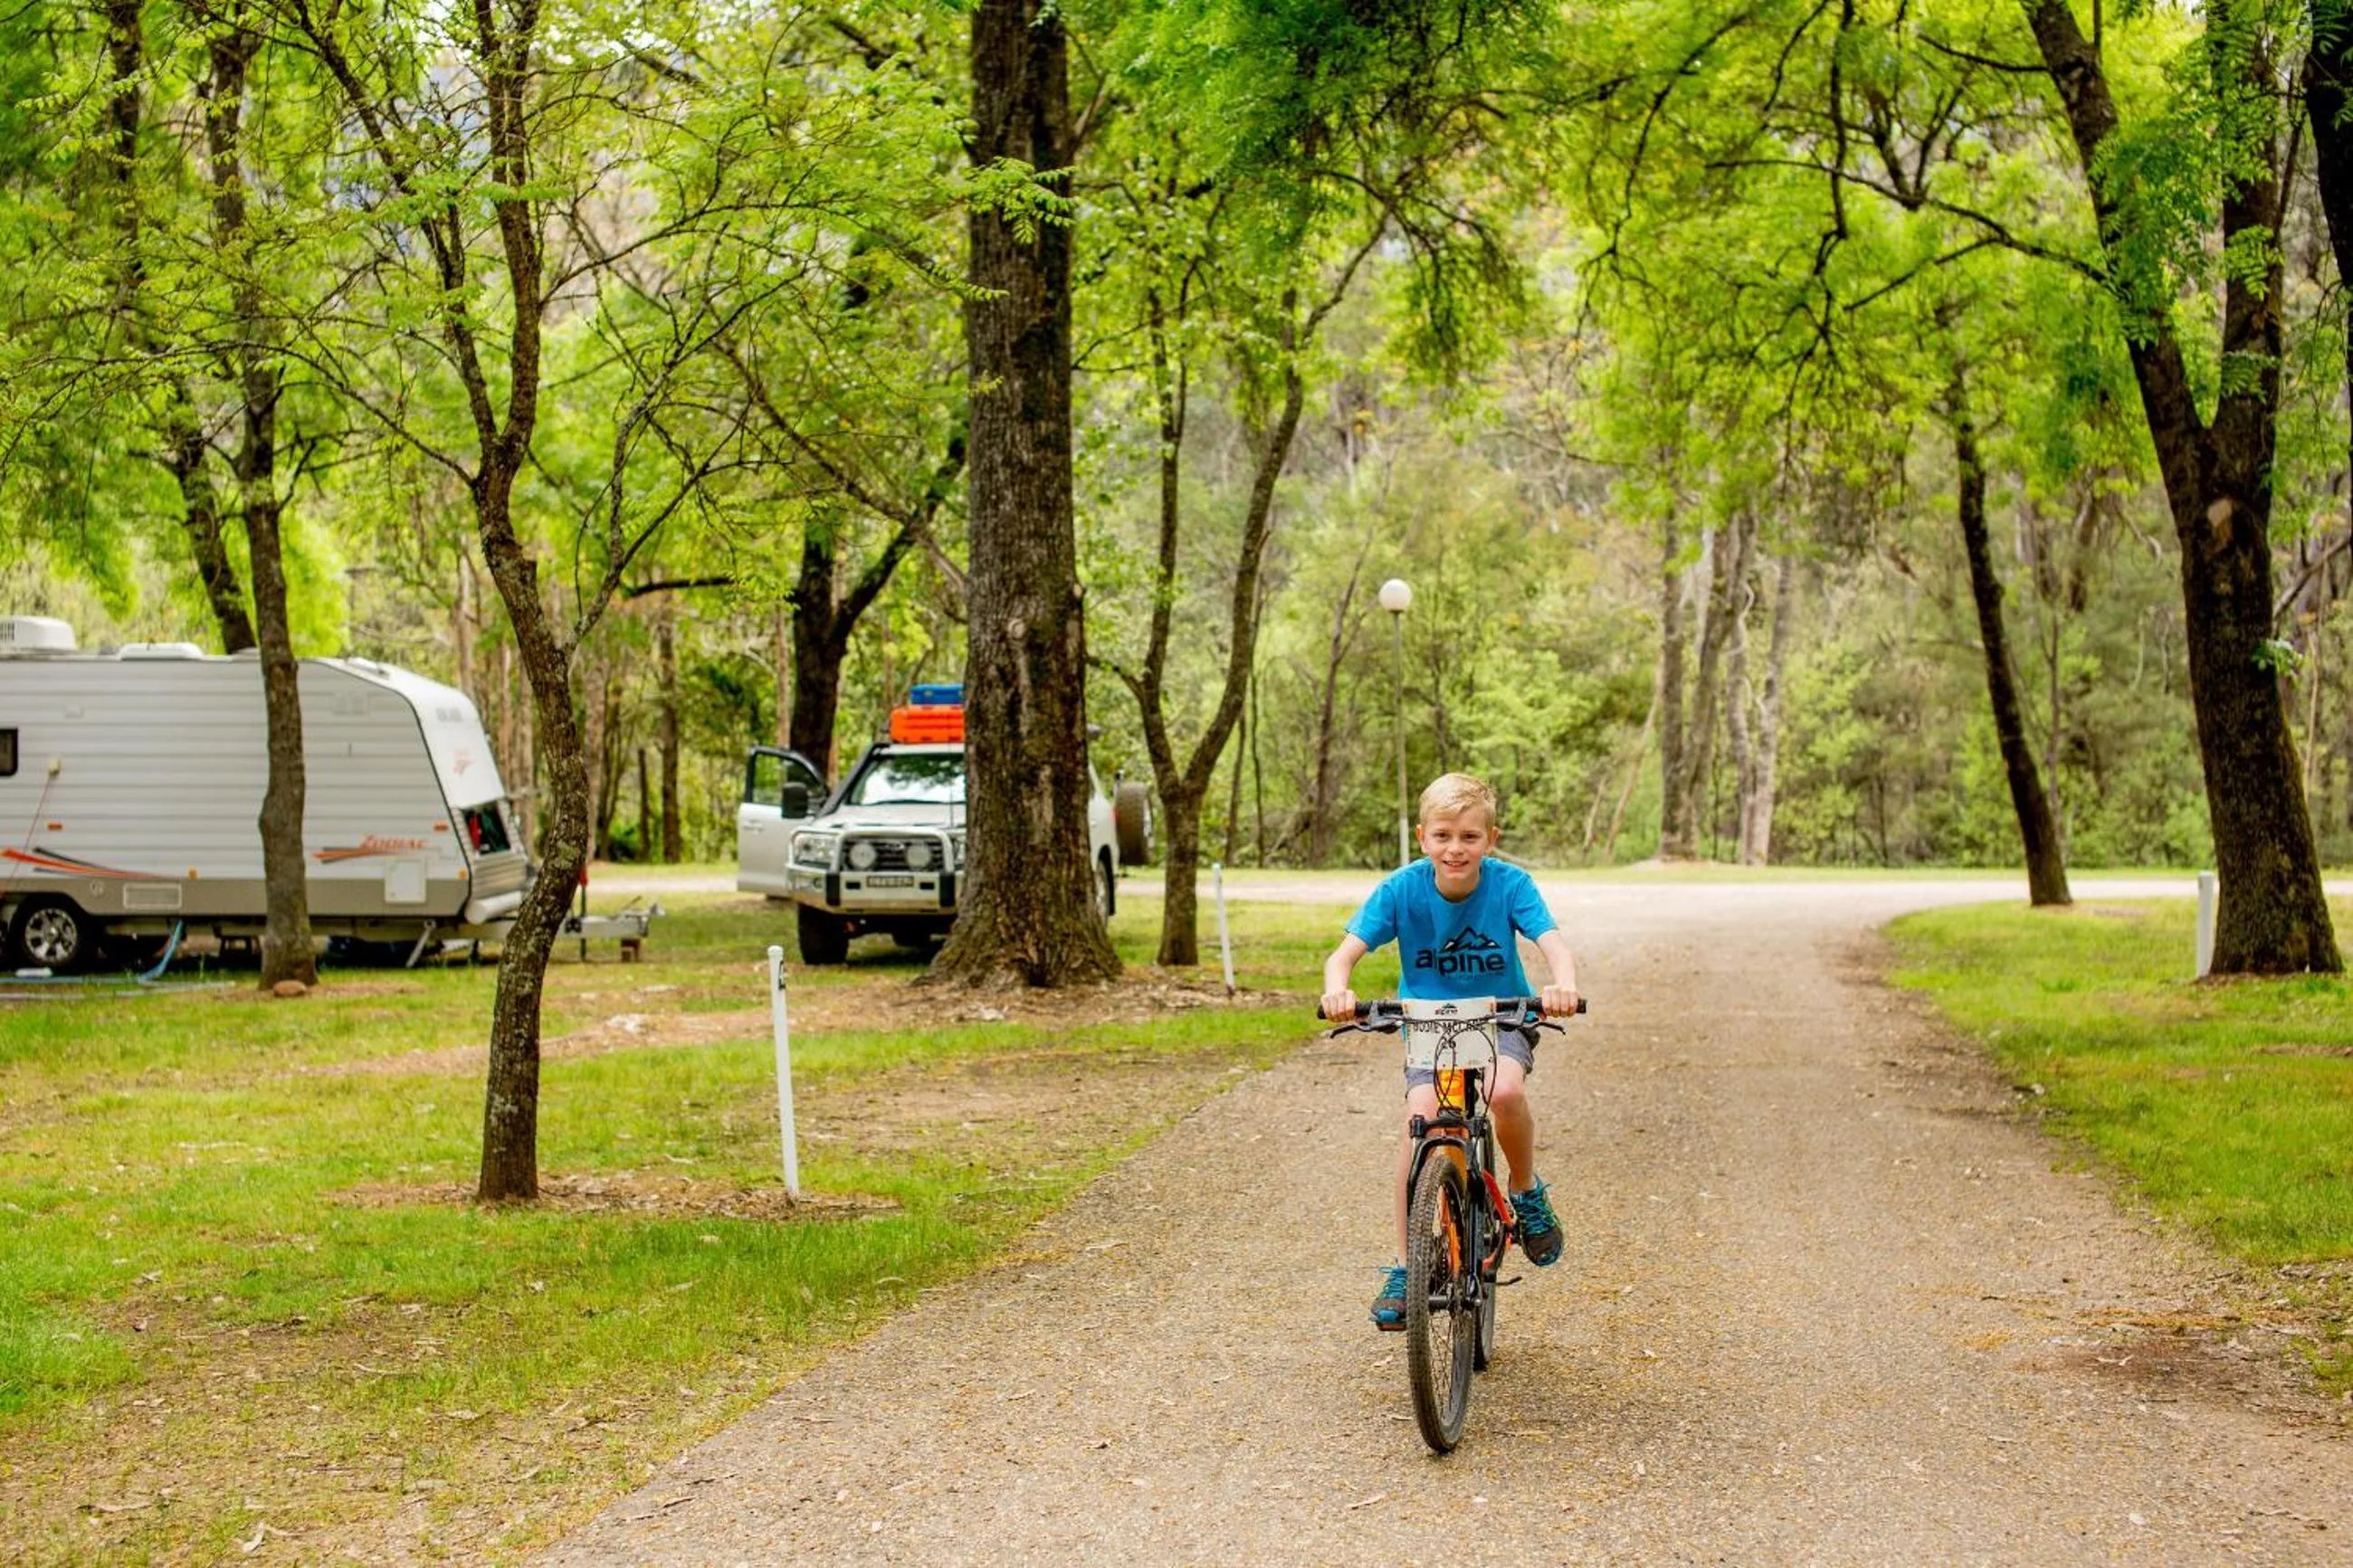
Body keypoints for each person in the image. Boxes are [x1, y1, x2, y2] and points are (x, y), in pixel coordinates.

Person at [1320, 772, 1580, 1329]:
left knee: (1503, 1090)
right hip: (1427, 1025)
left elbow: (1553, 944)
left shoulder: (1511, 886)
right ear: (1422, 838)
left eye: (1468, 836)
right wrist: (1338, 989)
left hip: (1500, 1014)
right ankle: (1407, 1263)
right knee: (1419, 1121)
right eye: (1443, 836)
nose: (1454, 848)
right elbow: (1342, 955)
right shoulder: (1401, 889)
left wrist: (1562, 984)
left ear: (1490, 837)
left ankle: (1526, 1190)